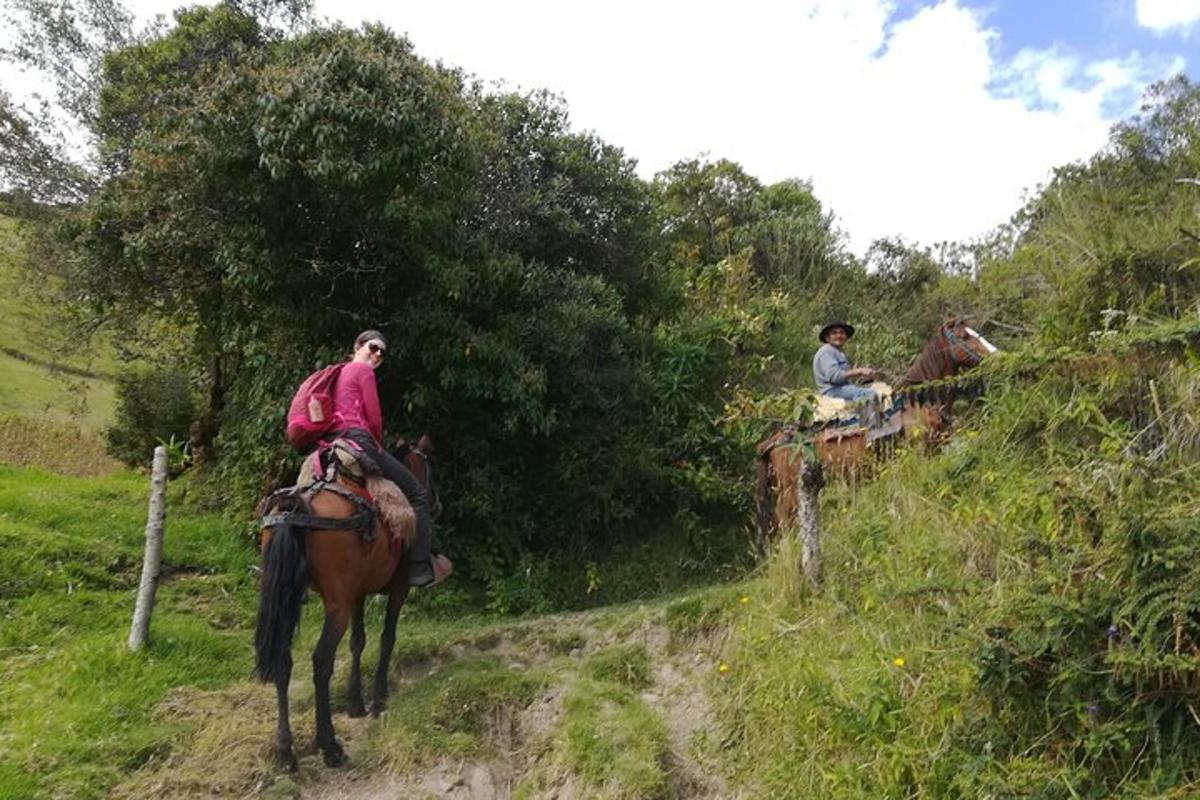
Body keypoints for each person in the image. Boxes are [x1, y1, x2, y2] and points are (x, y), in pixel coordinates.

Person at [332, 329, 451, 588]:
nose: (376, 356)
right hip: (360, 442)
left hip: (334, 443)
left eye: (382, 354)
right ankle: (419, 568)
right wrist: (377, 444)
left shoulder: (337, 373)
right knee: (418, 495)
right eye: (373, 348)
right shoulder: (363, 372)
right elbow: (373, 417)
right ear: (357, 346)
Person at [812, 320, 878, 403]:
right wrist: (859, 371)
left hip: (842, 389)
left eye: (842, 333)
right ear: (827, 338)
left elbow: (844, 376)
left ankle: (859, 407)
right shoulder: (826, 351)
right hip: (832, 391)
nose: (839, 336)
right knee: (870, 395)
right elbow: (835, 377)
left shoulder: (838, 353)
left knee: (873, 389)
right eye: (834, 333)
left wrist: (861, 375)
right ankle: (861, 411)